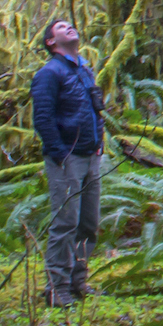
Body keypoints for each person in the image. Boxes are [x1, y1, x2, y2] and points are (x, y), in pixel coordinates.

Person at [31, 17, 106, 307]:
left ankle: (78, 282)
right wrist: (61, 154)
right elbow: (43, 119)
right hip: (66, 159)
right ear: (51, 42)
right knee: (65, 223)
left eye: (71, 25)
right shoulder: (49, 74)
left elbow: (94, 108)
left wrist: (99, 144)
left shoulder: (84, 69)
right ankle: (56, 287)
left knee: (88, 223)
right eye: (62, 28)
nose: (70, 27)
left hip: (91, 156)